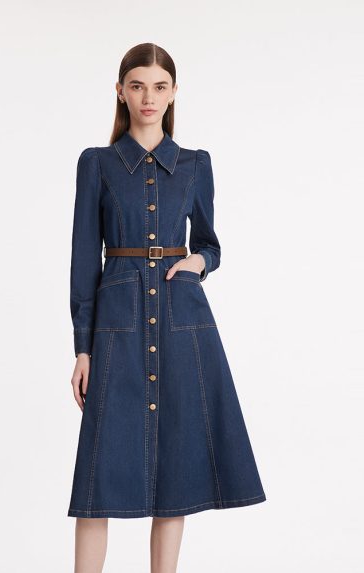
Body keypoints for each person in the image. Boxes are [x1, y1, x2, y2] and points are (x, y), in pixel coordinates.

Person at [67, 42, 266, 573]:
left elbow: (210, 244)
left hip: (183, 319)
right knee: (99, 475)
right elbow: (84, 258)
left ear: (174, 92)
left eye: (159, 86)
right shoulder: (97, 164)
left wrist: (198, 262)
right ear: (120, 91)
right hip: (117, 322)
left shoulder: (196, 165)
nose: (148, 97)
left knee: (175, 468)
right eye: (137, 86)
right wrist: (82, 349)